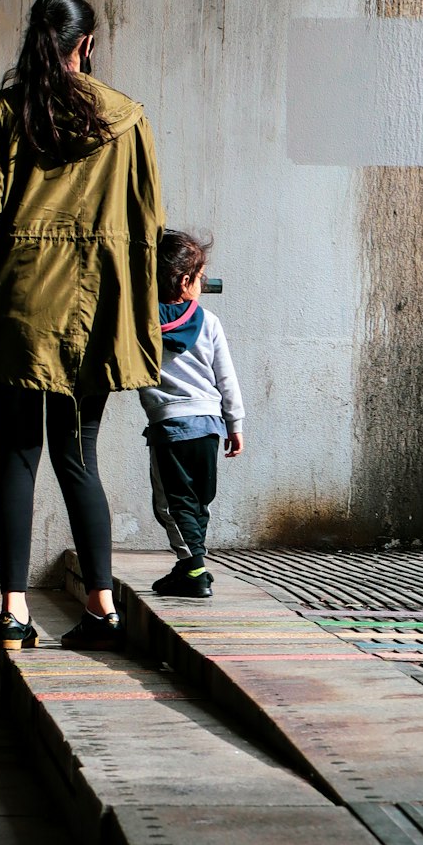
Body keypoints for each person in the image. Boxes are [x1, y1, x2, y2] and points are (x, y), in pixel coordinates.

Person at [0, 0, 164, 651]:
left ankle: (15, 614)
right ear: (88, 43)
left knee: (15, 460)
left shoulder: (4, 110)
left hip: (15, 313)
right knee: (81, 459)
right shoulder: (127, 120)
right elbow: (145, 220)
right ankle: (102, 610)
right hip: (89, 316)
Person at [139, 230, 244, 599]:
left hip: (170, 426)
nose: (202, 283)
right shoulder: (209, 322)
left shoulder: (141, 324)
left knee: (170, 502)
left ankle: (193, 567)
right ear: (185, 282)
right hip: (210, 425)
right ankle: (192, 564)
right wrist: (235, 423)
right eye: (200, 277)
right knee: (198, 499)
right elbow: (225, 377)